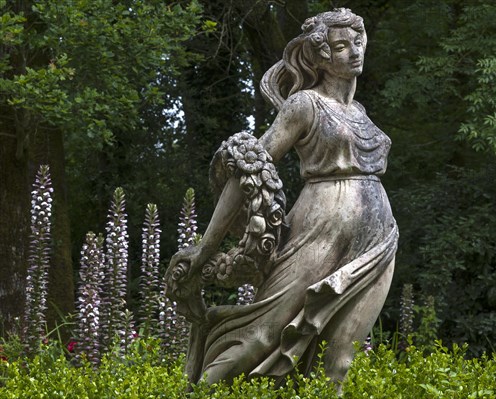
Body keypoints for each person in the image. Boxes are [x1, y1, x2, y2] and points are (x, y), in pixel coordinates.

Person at [166, 8, 398, 392]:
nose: (354, 52)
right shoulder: (305, 104)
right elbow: (248, 168)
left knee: (339, 360)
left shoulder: (360, 112)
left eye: (358, 42)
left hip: (379, 239)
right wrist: (207, 246)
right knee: (261, 335)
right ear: (322, 56)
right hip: (319, 230)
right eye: (341, 46)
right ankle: (199, 389)